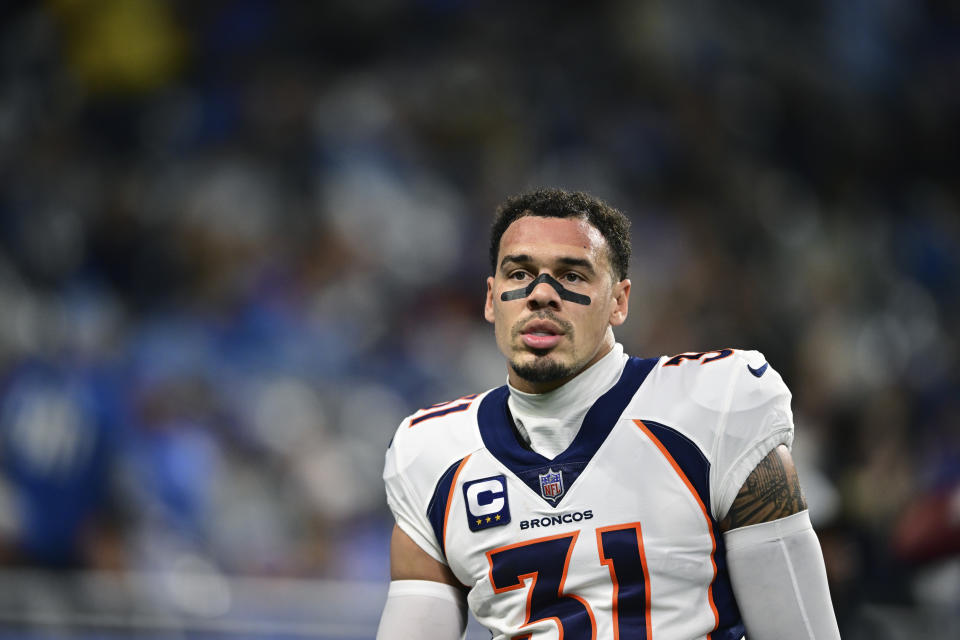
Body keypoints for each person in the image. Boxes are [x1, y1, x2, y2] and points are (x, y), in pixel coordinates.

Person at [377, 188, 840, 639]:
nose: (541, 294)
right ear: (490, 298)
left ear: (619, 301)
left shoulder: (711, 407)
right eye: (519, 274)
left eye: (572, 275)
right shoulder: (433, 454)